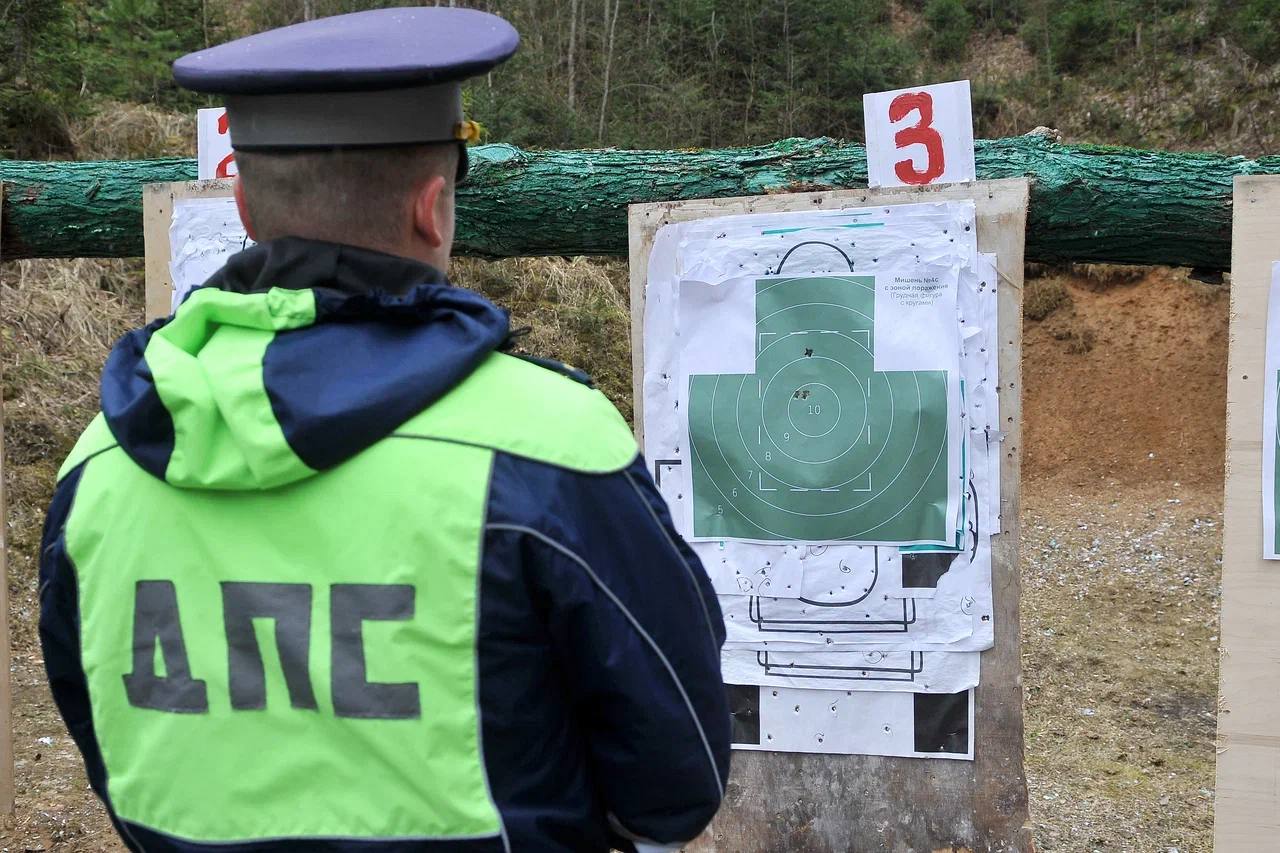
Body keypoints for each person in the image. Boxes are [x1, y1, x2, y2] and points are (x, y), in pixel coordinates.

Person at [38, 8, 730, 852]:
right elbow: (676, 778)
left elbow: (103, 732)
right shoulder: (548, 442)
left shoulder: (102, 458)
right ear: (432, 209)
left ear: (245, 206)